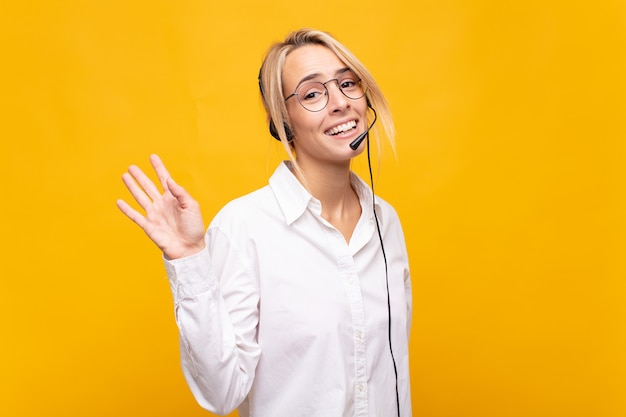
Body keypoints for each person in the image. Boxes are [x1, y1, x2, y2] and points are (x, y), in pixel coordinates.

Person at [117, 28, 412, 417]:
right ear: (282, 120)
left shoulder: (384, 221)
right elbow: (222, 394)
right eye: (312, 94)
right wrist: (188, 258)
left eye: (347, 83)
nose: (340, 102)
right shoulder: (245, 228)